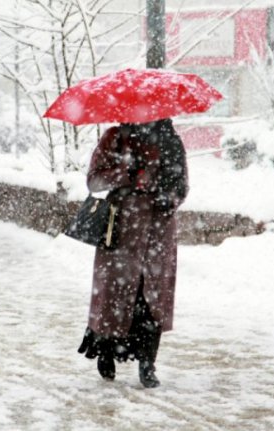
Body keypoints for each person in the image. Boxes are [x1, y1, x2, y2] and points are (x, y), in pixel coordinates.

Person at [77, 118, 189, 388]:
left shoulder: (171, 141)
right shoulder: (115, 138)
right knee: (113, 296)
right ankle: (106, 352)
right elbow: (94, 181)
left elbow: (182, 186)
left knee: (151, 299)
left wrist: (166, 197)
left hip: (158, 233)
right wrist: (127, 173)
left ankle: (148, 364)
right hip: (121, 230)